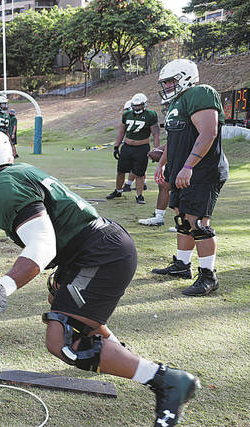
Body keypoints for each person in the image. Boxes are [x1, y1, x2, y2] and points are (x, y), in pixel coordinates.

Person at [0, 128, 200, 427]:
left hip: (100, 254)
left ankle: (166, 380)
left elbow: (42, 245)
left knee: (63, 341)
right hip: (96, 246)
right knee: (59, 294)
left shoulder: (2, 187)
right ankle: (135, 364)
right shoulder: (14, 174)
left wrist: (5, 284)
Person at [151, 59, 228, 297]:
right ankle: (182, 265)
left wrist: (188, 166)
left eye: (171, 81)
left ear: (185, 77)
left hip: (202, 171)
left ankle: (208, 276)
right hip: (182, 170)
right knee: (183, 219)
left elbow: (208, 132)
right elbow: (174, 139)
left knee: (198, 223)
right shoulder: (178, 102)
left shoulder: (201, 93)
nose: (167, 86)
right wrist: (162, 164)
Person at [107, 93, 160, 204]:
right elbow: (121, 131)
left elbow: (155, 134)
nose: (137, 107)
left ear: (144, 105)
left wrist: (156, 149)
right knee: (120, 171)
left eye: (139, 105)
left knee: (139, 173)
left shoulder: (151, 115)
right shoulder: (127, 114)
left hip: (142, 148)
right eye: (135, 105)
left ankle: (139, 195)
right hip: (127, 147)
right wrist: (116, 146)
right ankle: (118, 190)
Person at [140, 99, 173, 227]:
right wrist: (159, 149)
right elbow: (172, 141)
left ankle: (184, 223)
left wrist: (161, 162)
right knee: (164, 185)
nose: (166, 108)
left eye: (168, 105)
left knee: (182, 190)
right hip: (175, 158)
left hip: (186, 160)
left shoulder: (186, 116)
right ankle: (159, 216)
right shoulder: (173, 118)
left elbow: (179, 142)